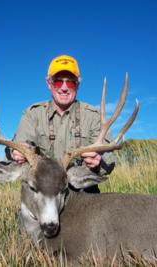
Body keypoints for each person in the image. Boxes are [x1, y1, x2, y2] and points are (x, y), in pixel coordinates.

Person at [6, 55, 115, 193]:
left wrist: (98, 163)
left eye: (70, 82)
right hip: (43, 192)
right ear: (48, 83)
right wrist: (16, 152)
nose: (64, 88)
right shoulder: (33, 114)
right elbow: (15, 148)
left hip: (82, 195)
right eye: (58, 82)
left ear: (78, 85)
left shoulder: (93, 116)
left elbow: (109, 160)